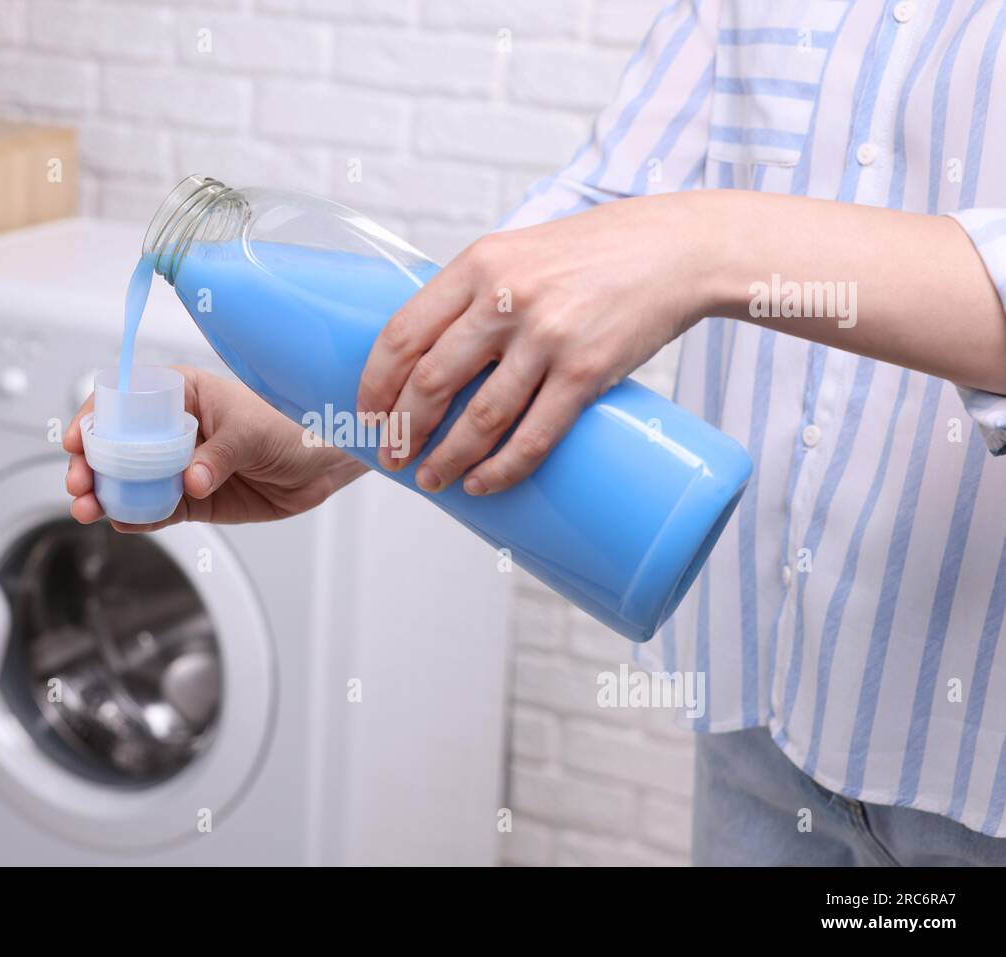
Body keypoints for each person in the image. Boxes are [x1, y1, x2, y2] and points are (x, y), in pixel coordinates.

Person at [66, 0, 1006, 865]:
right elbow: (600, 209)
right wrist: (338, 426)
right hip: (761, 703)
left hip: (976, 763)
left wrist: (709, 245)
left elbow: (661, 244)